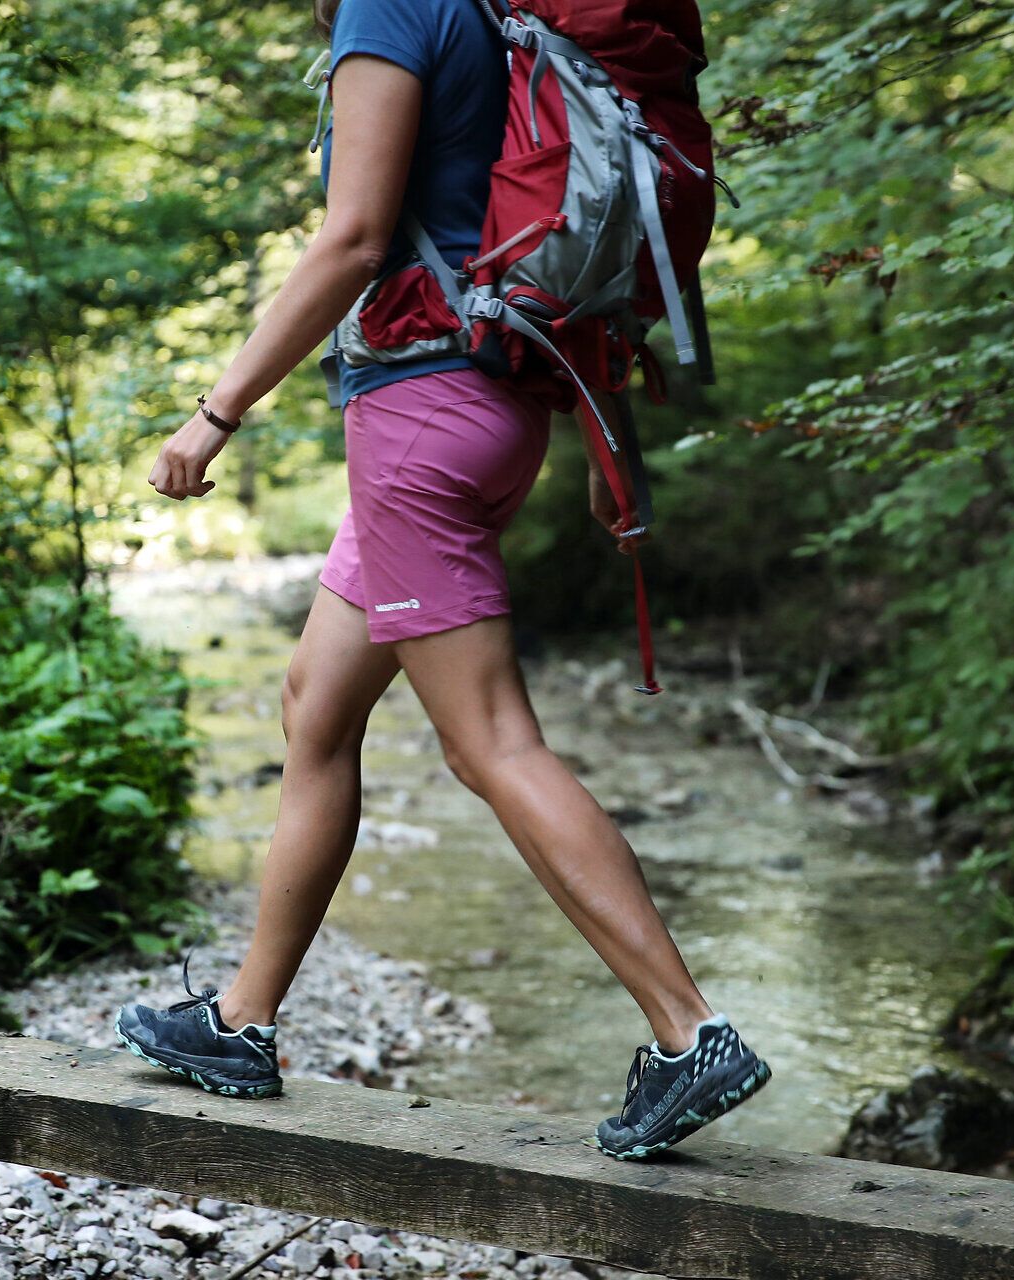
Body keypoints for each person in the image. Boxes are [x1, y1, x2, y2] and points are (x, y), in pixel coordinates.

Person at [114, 0, 769, 1161]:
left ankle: (688, 1029)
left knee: (490, 743)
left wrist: (214, 414)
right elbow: (536, 239)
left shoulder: (393, 6)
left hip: (418, 423)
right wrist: (600, 439)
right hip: (496, 407)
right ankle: (242, 1023)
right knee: (316, 702)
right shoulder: (496, 14)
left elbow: (357, 238)